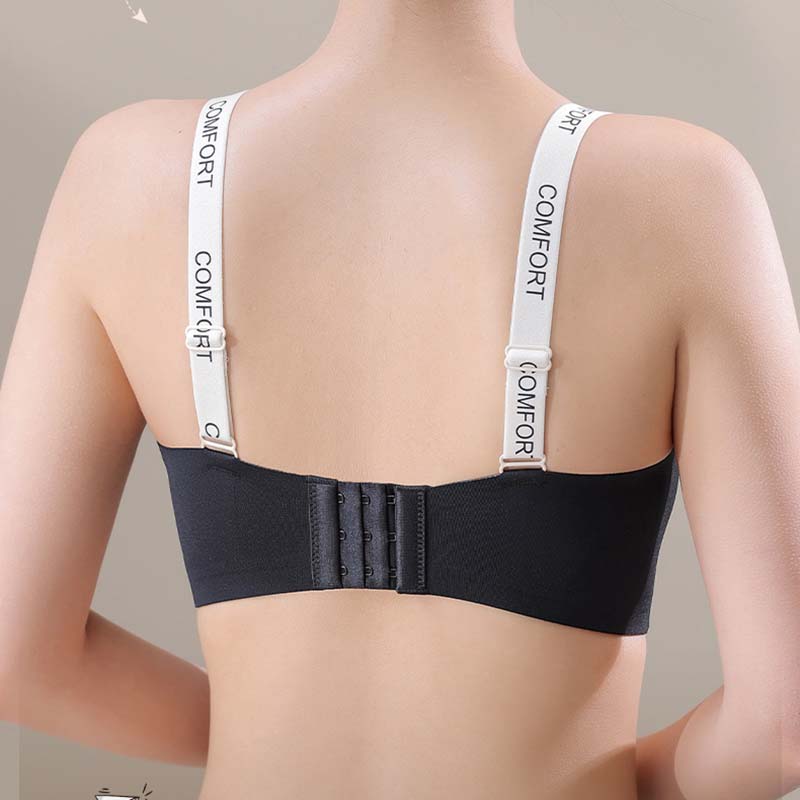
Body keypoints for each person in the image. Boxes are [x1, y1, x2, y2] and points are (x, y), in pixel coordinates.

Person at [1, 1, 798, 798]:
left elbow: (16, 656)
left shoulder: (128, 176)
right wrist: (604, 780)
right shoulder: (684, 195)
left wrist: (266, 738)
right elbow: (784, 727)